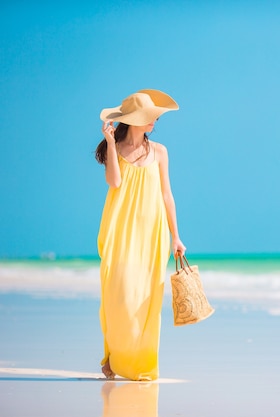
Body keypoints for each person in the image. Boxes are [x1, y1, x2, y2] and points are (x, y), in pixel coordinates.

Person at [95, 89, 186, 381]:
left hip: (152, 233)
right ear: (133, 120)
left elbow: (167, 194)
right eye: (148, 118)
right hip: (121, 230)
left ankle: (142, 364)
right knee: (118, 295)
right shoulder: (117, 149)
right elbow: (115, 181)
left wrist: (176, 236)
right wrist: (110, 143)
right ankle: (113, 355)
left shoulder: (159, 151)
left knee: (146, 299)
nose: (153, 123)